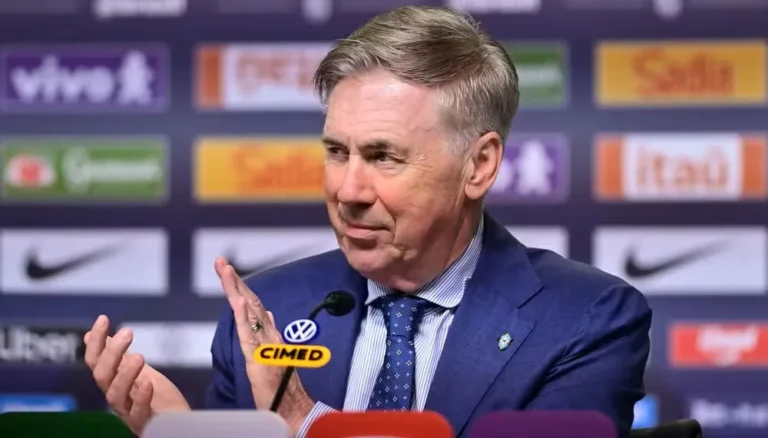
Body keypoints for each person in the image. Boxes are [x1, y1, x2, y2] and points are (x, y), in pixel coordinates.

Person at [83, 5, 651, 438]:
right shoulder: (268, 312)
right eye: (337, 152)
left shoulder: (585, 320)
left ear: (478, 165)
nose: (348, 190)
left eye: (384, 157)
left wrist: (306, 423)